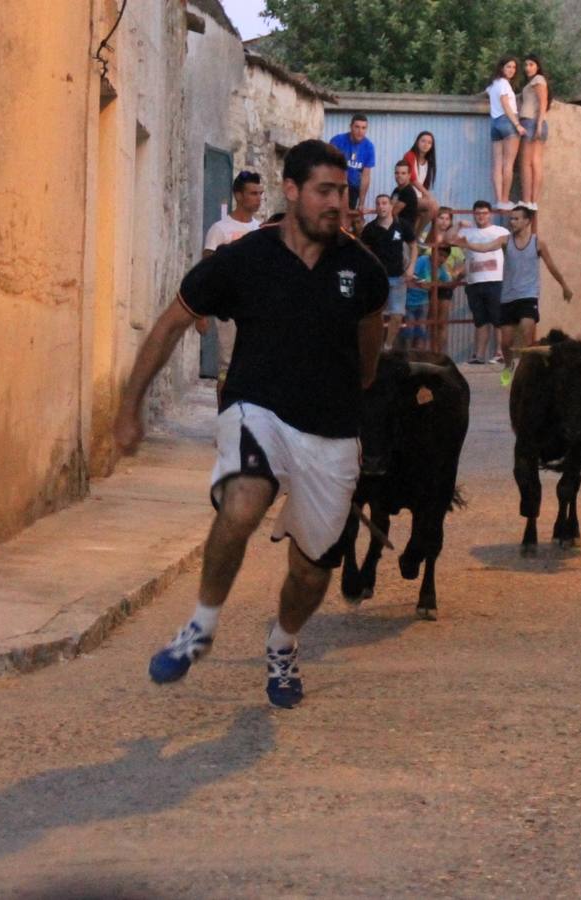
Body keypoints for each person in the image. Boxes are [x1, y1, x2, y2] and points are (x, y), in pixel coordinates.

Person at [116, 139, 388, 707]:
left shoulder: (362, 271)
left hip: (332, 433)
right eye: (324, 191)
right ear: (291, 191)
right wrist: (129, 407)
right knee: (241, 501)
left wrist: (350, 392)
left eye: (343, 191)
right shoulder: (243, 260)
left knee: (312, 574)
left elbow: (369, 351)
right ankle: (201, 626)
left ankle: (284, 643)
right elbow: (169, 325)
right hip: (254, 410)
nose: (338, 202)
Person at [452, 202, 572, 383]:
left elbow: (551, 266)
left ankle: (527, 370)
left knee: (526, 331)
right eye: (511, 219)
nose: (512, 222)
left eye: (516, 219)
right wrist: (467, 244)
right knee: (506, 343)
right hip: (508, 297)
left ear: (527, 221)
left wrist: (564, 285)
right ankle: (508, 366)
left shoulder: (538, 243)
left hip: (528, 295)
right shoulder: (505, 241)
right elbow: (485, 248)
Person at [202, 171, 265, 384]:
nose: (258, 198)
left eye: (260, 193)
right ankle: (225, 413)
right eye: (253, 193)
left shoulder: (261, 230)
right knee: (227, 367)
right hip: (229, 311)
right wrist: (200, 314)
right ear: (238, 196)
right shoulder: (220, 230)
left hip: (256, 308)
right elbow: (205, 272)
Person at [361, 193, 417, 350]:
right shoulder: (369, 229)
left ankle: (388, 346)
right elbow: (364, 253)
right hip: (378, 279)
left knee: (397, 315)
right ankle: (375, 346)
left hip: (398, 277)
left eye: (385, 203)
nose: (381, 206)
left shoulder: (402, 225)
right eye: (378, 203)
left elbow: (413, 245)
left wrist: (411, 266)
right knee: (375, 315)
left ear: (391, 206)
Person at [456, 200, 508, 364]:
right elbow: (447, 238)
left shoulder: (500, 231)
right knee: (480, 320)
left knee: (498, 319)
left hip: (495, 281)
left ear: (490, 214)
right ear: (473, 214)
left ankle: (500, 353)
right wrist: (458, 224)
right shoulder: (467, 233)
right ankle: (479, 355)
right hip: (474, 282)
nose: (481, 216)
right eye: (478, 213)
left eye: (484, 213)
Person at [486, 57, 525, 208]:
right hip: (507, 122)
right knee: (508, 164)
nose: (511, 70)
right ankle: (504, 200)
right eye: (508, 67)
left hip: (494, 123)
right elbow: (505, 103)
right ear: (501, 67)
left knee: (497, 164)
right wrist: (517, 124)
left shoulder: (493, 84)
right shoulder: (503, 84)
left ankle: (498, 200)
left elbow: (485, 94)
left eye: (514, 68)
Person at [330, 113, 375, 229]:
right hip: (336, 185)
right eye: (357, 127)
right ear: (351, 127)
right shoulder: (337, 141)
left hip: (353, 188)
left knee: (347, 221)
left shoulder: (369, 147)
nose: (360, 131)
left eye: (363, 128)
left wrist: (361, 203)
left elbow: (365, 177)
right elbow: (330, 166)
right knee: (332, 218)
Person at [404, 246, 452, 350]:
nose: (442, 258)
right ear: (433, 253)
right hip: (410, 300)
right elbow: (412, 274)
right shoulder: (423, 260)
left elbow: (447, 281)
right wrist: (423, 283)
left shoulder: (441, 268)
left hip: (423, 301)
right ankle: (408, 355)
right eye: (440, 255)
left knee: (421, 329)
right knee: (410, 329)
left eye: (445, 257)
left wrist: (438, 283)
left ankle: (419, 353)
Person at [518, 54, 550, 204]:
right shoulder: (531, 83)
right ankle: (532, 201)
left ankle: (527, 200)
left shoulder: (538, 80)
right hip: (536, 123)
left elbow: (543, 102)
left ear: (538, 66)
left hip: (531, 122)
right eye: (525, 65)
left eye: (531, 64)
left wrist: (538, 124)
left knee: (526, 163)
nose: (527, 68)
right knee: (535, 162)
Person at [401, 131, 440, 233]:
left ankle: (419, 239)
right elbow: (412, 179)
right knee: (433, 205)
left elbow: (425, 186)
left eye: (429, 142)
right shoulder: (409, 155)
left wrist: (425, 196)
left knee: (438, 212)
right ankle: (416, 237)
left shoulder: (428, 162)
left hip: (418, 199)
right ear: (417, 142)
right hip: (407, 197)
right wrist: (429, 196)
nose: (426, 144)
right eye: (423, 141)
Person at [390, 161, 419, 238]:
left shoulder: (408, 191)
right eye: (397, 173)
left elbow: (392, 212)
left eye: (403, 173)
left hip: (404, 233)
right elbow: (390, 207)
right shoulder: (396, 190)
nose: (399, 176)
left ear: (409, 175)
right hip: (396, 229)